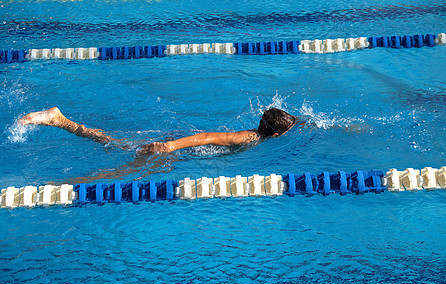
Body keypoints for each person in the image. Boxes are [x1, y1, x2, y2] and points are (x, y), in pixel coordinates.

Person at [18, 106, 302, 155]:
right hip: (177, 149)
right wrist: (168, 147)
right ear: (275, 136)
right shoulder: (247, 138)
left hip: (180, 147)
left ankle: (62, 121)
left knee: (114, 142)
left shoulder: (255, 133)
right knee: (115, 147)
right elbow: (207, 138)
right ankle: (60, 121)